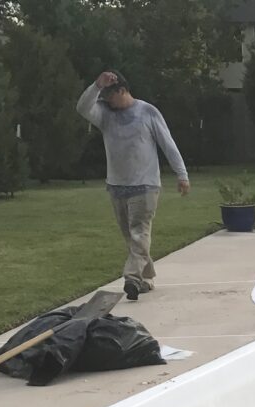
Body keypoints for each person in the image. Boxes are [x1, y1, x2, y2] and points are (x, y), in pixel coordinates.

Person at [76, 70, 190, 302]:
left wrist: (182, 174)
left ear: (122, 90)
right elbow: (82, 108)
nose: (108, 102)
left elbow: (168, 144)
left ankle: (131, 278)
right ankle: (146, 278)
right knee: (131, 237)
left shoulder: (147, 112)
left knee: (139, 233)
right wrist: (97, 85)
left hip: (145, 185)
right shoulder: (105, 115)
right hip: (117, 186)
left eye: (110, 96)